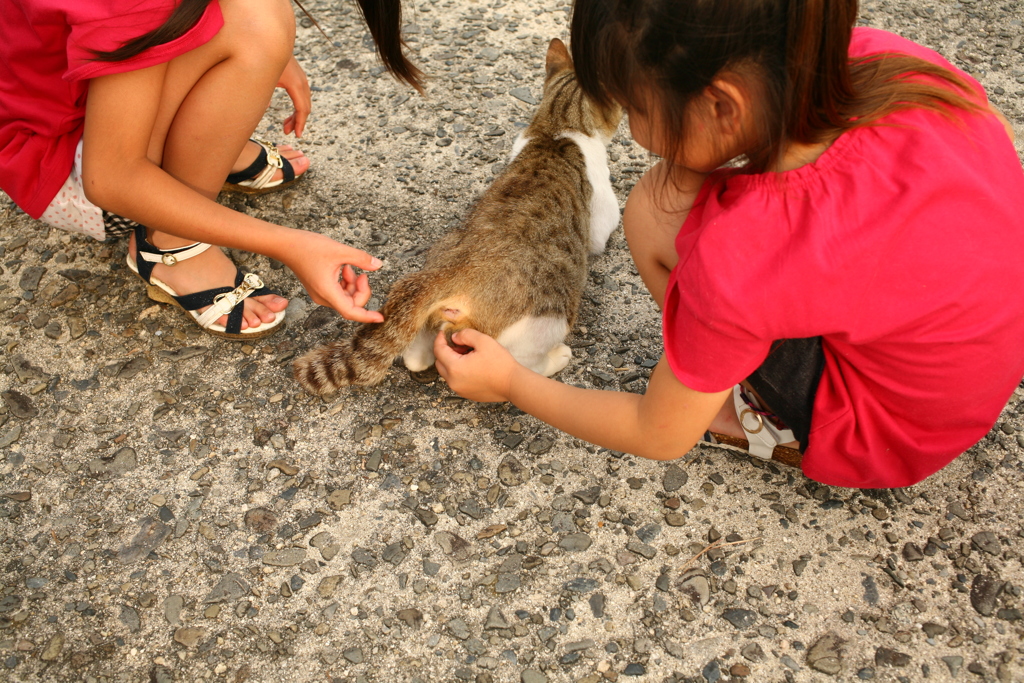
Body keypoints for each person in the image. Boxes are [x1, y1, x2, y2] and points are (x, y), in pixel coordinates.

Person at [432, 0, 1024, 489]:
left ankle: (751, 418)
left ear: (721, 103)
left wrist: (511, 382)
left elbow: (656, 434)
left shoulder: (746, 255)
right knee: (679, 200)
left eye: (637, 108)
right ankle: (725, 358)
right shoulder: (895, 63)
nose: (635, 133)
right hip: (961, 385)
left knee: (652, 211)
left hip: (881, 436)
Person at [0, 0, 421, 338]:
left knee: (255, 20)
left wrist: (273, 54)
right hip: (60, 168)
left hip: (58, 94)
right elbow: (111, 180)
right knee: (258, 22)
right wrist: (291, 245)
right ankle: (170, 245)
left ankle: (201, 147)